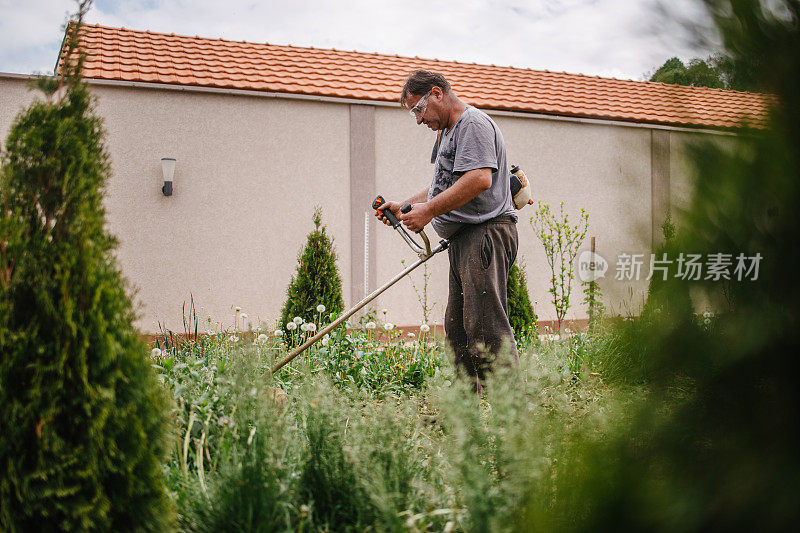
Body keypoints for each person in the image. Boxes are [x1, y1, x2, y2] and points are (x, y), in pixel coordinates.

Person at [377, 70, 519, 393]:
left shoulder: (472, 124)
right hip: (462, 240)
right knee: (457, 329)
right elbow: (440, 188)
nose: (418, 120)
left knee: (487, 330)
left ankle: (512, 421)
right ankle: (463, 414)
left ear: (437, 94)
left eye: (418, 109)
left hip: (485, 235)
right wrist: (406, 206)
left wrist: (429, 211)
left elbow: (480, 178)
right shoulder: (447, 134)